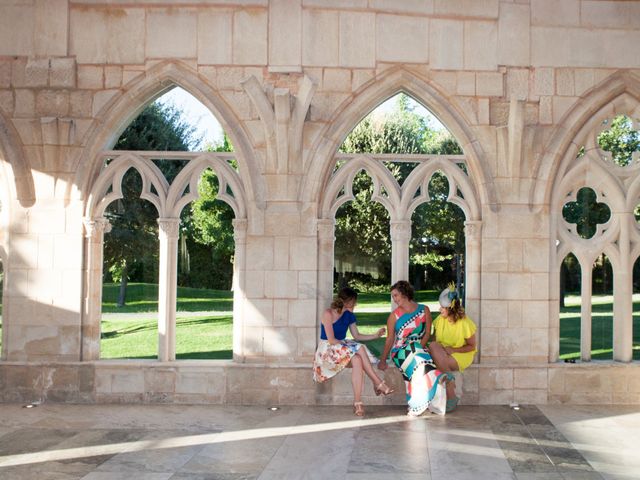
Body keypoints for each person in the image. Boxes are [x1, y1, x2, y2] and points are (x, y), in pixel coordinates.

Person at [313, 287, 394, 416]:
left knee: (357, 359)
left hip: (341, 348)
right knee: (359, 348)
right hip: (328, 351)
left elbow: (357, 336)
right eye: (354, 302)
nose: (355, 304)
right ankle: (378, 383)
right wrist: (350, 347)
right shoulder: (328, 314)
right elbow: (331, 340)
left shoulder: (349, 316)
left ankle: (358, 403)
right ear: (347, 301)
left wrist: (375, 335)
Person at [378, 280, 447, 416]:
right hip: (400, 350)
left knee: (422, 364)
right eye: (393, 296)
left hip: (418, 348)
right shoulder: (394, 316)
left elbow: (427, 333)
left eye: (396, 295)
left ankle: (428, 404)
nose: (394, 299)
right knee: (422, 363)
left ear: (404, 294)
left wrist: (418, 348)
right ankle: (426, 392)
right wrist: (383, 360)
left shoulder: (424, 309)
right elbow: (390, 339)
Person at [428, 283, 477, 413]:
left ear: (451, 309)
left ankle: (450, 392)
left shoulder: (465, 323)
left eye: (443, 308)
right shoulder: (440, 320)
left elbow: (472, 346)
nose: (440, 309)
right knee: (433, 346)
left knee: (437, 357)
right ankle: (449, 379)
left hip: (460, 355)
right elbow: (434, 341)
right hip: (443, 353)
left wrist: (454, 350)